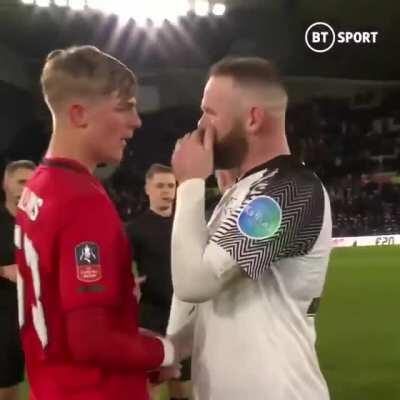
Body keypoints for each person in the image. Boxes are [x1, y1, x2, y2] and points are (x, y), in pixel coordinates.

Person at [15, 45, 178, 400]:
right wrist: (167, 350)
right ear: (79, 114)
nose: (136, 120)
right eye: (125, 107)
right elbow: (92, 341)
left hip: (54, 385)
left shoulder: (38, 187)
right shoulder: (81, 200)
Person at [168, 57, 332, 400]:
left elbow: (195, 283)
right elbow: (207, 300)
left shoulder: (289, 189)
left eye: (210, 112)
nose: (201, 124)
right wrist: (168, 351)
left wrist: (189, 184)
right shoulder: (244, 191)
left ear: (253, 119)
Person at [126, 164, 191, 400]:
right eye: (160, 185)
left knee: (182, 385)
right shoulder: (135, 229)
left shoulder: (187, 224)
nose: (166, 191)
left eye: (171, 186)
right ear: (147, 188)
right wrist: (128, 282)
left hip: (185, 314)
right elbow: (118, 266)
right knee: (149, 383)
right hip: (151, 316)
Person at [0, 160, 35, 400]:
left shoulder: (38, 223)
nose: (27, 187)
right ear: (5, 183)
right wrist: (3, 271)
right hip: (3, 314)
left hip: (34, 318)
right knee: (5, 385)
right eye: (21, 181)